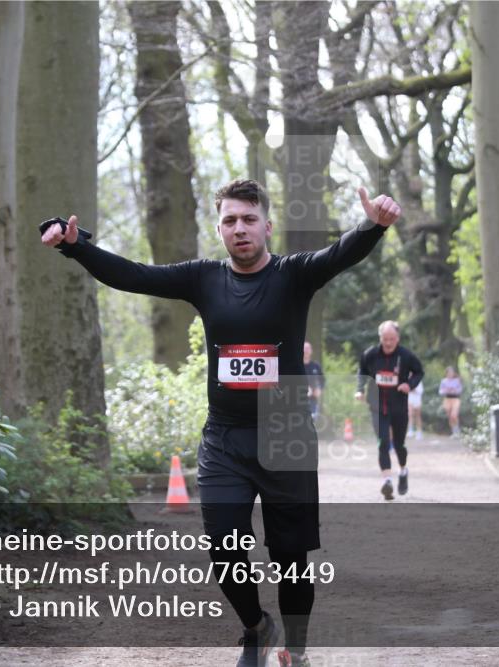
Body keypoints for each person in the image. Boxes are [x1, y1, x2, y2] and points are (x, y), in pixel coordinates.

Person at [41, 179, 401, 667]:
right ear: (219, 229)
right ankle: (256, 627)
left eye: (249, 219)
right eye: (229, 221)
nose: (239, 228)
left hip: (285, 434)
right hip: (225, 436)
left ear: (267, 226)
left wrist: (372, 226)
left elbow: (339, 254)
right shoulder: (203, 278)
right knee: (223, 548)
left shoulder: (294, 274)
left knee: (291, 562)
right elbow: (134, 275)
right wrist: (75, 245)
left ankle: (295, 649)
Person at [355, 321, 423, 500]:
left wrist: (409, 384)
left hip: (398, 406)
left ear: (398, 338)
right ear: (380, 337)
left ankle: (403, 470)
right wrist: (359, 390)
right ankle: (387, 481)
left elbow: (419, 372)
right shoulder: (370, 354)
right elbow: (362, 371)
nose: (388, 343)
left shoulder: (406, 355)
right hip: (377, 406)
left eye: (392, 339)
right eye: (385, 339)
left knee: (399, 445)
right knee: (383, 442)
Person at [302, 342, 325, 422]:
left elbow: (322, 380)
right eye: (304, 348)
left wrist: (319, 389)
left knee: (311, 421)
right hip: (298, 400)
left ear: (311, 351)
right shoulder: (296, 366)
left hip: (312, 400)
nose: (306, 351)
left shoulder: (316, 366)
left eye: (308, 348)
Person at [439, 367, 463, 435]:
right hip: (447, 399)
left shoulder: (457, 380)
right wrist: (446, 391)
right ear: (446, 373)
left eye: (451, 373)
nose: (450, 374)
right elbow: (440, 391)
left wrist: (454, 391)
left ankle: (457, 429)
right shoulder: (444, 381)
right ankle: (453, 431)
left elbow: (460, 390)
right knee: (449, 416)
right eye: (449, 373)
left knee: (454, 415)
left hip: (455, 399)